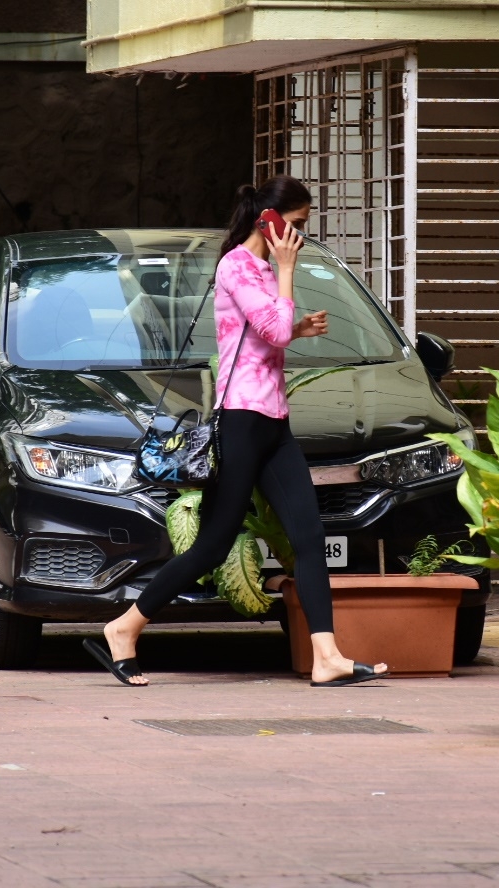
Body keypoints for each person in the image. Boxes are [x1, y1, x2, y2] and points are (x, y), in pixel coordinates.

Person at [85, 175, 390, 688]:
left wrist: (297, 327)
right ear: (267, 221)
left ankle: (326, 656)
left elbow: (265, 335)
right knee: (213, 544)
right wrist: (288, 278)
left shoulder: (263, 270)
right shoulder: (238, 267)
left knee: (310, 537)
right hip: (244, 419)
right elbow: (269, 329)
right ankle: (124, 627)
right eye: (294, 226)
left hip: (273, 420)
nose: (299, 238)